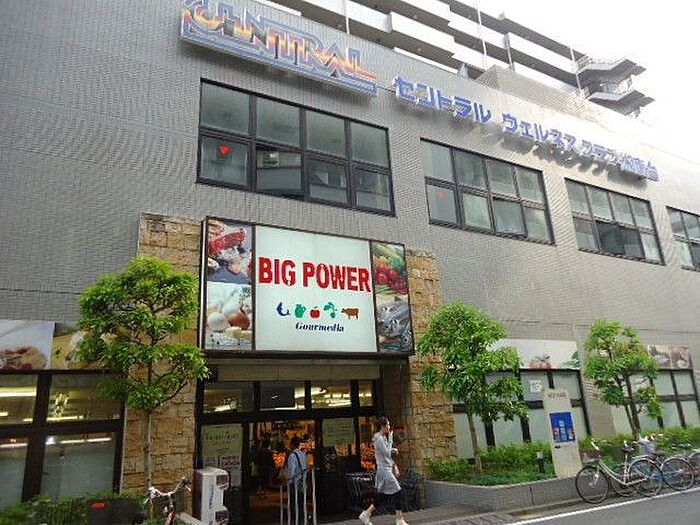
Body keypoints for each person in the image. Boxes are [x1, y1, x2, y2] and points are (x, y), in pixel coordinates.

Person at [358, 417, 409, 525]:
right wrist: (392, 443)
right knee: (398, 491)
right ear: (383, 426)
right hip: (384, 471)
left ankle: (366, 514)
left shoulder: (382, 438)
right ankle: (399, 519)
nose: (389, 427)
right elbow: (387, 453)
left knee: (384, 496)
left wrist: (390, 442)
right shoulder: (379, 439)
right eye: (388, 425)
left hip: (385, 469)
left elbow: (386, 452)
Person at [286, 436, 308, 524]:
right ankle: (303, 519)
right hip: (303, 482)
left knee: (294, 503)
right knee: (301, 502)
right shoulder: (303, 454)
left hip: (295, 483)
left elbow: (291, 471)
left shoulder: (292, 456)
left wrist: (289, 481)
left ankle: (296, 520)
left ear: (292, 445)